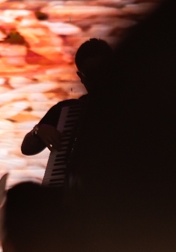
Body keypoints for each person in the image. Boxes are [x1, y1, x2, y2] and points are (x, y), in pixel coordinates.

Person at [21, 39, 111, 188]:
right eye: (92, 74)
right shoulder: (68, 111)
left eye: (103, 70)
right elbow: (27, 148)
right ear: (82, 77)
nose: (99, 79)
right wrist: (38, 131)